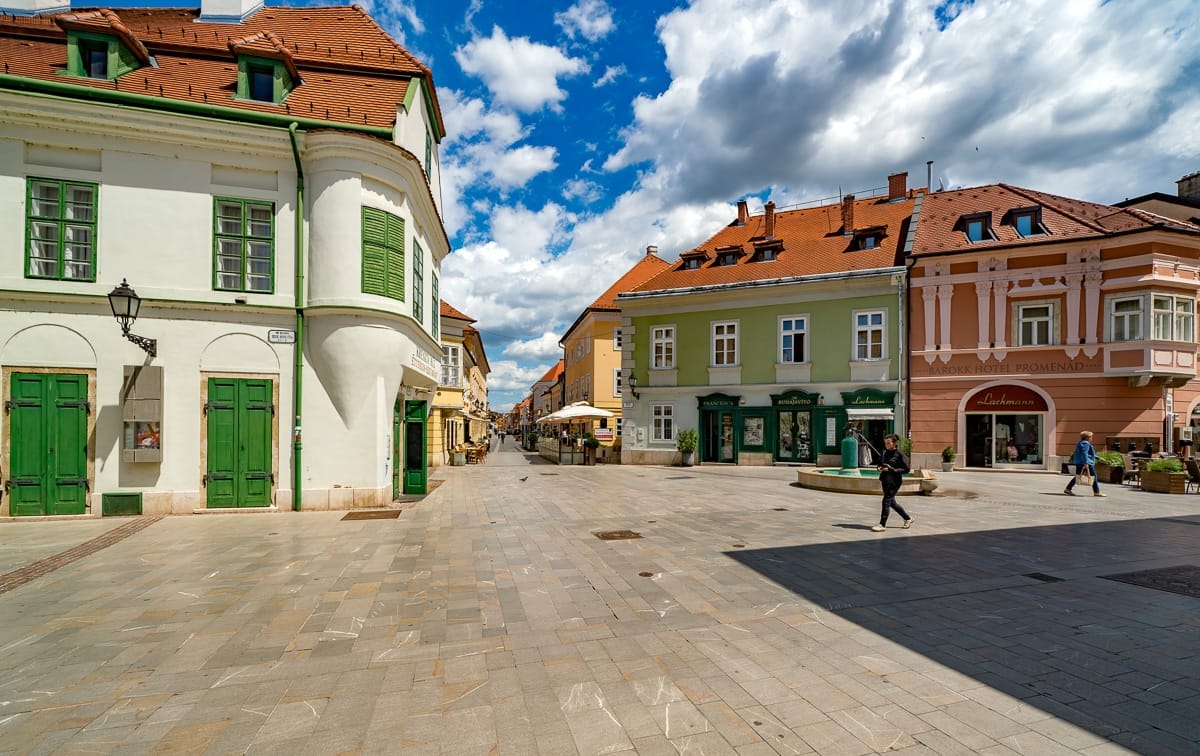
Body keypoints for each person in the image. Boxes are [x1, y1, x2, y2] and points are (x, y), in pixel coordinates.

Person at [871, 433, 913, 532]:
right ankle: (907, 518)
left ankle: (882, 524)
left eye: (889, 443)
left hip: (895, 481)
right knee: (891, 502)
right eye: (885, 443)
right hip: (885, 480)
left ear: (895, 443)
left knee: (886, 500)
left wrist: (892, 469)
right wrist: (880, 468)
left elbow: (906, 469)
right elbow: (880, 463)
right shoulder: (885, 452)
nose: (887, 445)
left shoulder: (899, 454)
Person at [1064, 430, 1105, 497]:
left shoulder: (1081, 442)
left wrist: (1098, 458)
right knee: (1094, 476)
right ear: (1087, 437)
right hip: (1085, 462)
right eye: (1091, 437)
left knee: (1078, 476)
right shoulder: (1085, 443)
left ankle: (1068, 489)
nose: (1092, 438)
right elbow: (1084, 454)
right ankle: (1096, 492)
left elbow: (1089, 454)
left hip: (1080, 462)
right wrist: (1086, 463)